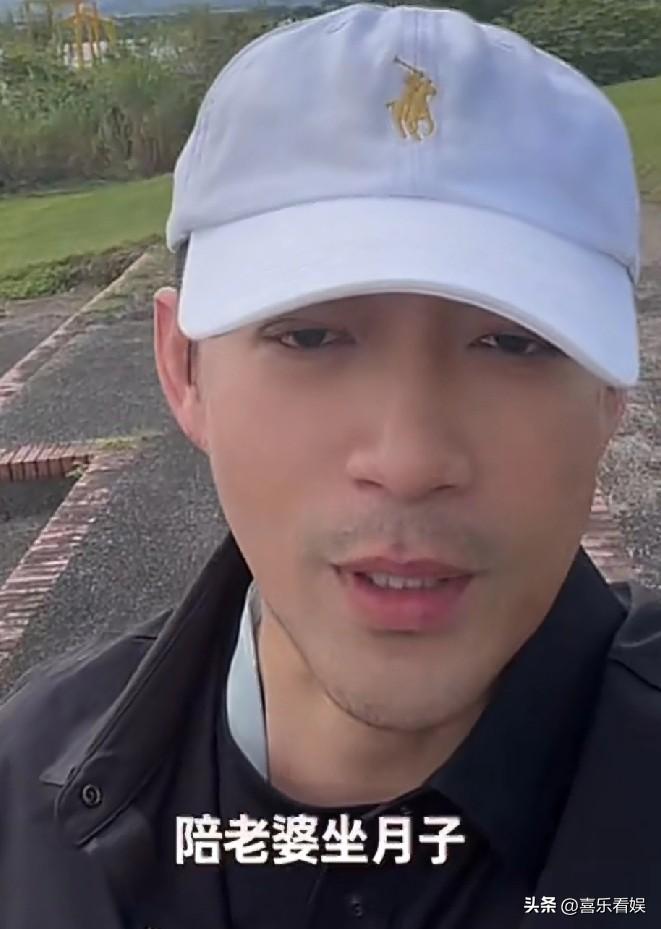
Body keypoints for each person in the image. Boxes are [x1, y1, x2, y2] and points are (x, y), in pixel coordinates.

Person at [0, 3, 659, 927]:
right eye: (310, 336)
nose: (409, 460)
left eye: (514, 343)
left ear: (608, 394)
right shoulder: (20, 804)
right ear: (184, 369)